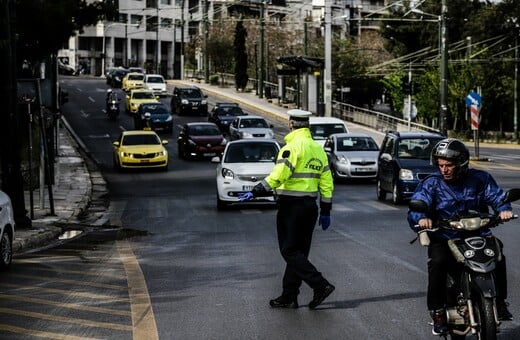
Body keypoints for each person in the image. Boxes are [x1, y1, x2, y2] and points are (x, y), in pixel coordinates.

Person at [407, 138, 513, 336]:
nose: (444, 169)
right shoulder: (432, 184)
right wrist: (422, 218)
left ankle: (499, 302)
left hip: (477, 232)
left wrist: (504, 209)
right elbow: (418, 202)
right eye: (441, 165)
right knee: (437, 262)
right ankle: (438, 311)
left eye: (449, 165)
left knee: (498, 254)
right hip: (445, 235)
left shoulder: (480, 179)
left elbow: (497, 197)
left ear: (461, 164)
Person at [238, 109, 335, 309]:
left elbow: (279, 174)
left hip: (292, 207)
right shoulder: (318, 150)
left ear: (291, 124)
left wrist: (256, 191)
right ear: (307, 125)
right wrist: (325, 210)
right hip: (310, 208)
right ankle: (289, 295)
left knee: (289, 251)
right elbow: (327, 183)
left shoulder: (291, 148)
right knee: (299, 252)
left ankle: (320, 284)